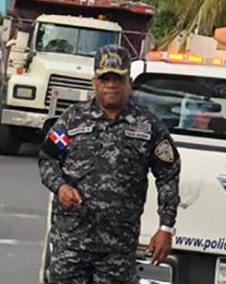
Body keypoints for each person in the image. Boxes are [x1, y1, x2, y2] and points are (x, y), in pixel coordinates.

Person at [39, 45, 180, 283]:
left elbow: (168, 174)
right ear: (95, 83)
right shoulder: (72, 120)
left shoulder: (148, 126)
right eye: (105, 79)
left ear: (129, 82)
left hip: (117, 248)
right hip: (71, 242)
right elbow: (48, 159)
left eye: (118, 79)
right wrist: (60, 187)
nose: (111, 85)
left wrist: (165, 228)